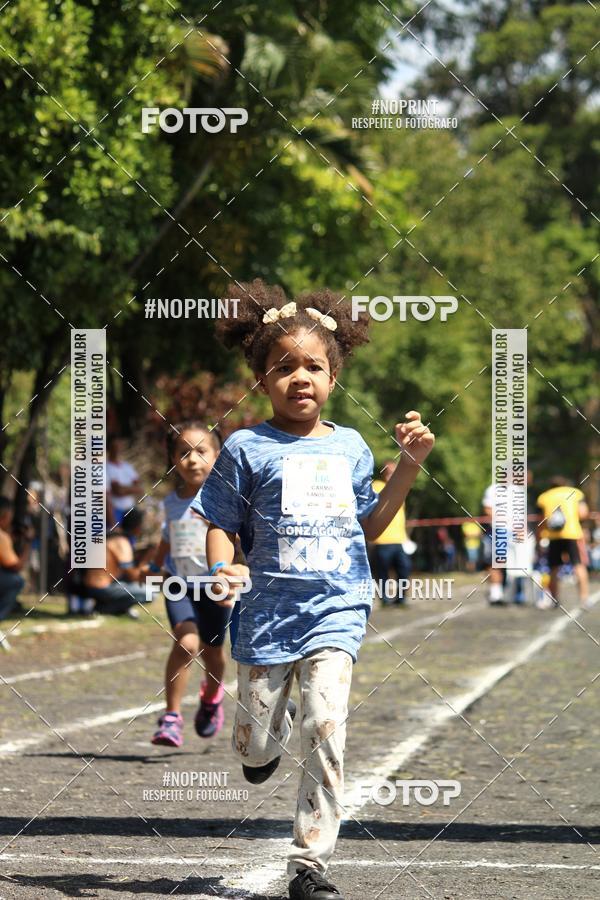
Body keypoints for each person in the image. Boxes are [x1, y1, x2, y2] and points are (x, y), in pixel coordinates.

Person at [190, 280, 435, 900]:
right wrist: (223, 567)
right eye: (284, 367)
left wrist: (408, 466)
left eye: (313, 367)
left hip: (337, 608)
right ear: (261, 378)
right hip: (265, 616)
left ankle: (309, 865)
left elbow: (369, 526)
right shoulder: (245, 447)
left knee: (326, 726)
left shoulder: (351, 446)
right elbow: (220, 522)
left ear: (334, 376)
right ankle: (264, 743)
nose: (299, 377)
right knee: (253, 747)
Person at [142, 421, 231, 747]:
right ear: (173, 459)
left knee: (213, 653)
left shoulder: (226, 500)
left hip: (215, 589)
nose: (192, 459)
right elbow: (168, 538)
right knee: (187, 643)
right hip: (179, 585)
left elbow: (238, 540)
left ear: (217, 456)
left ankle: (211, 698)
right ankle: (171, 717)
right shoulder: (171, 502)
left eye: (200, 451)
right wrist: (153, 567)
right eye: (183, 452)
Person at [83, 508, 149, 616]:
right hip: (101, 587)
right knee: (150, 592)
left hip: (89, 585)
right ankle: (103, 609)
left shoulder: (112, 535)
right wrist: (147, 560)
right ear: (137, 525)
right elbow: (133, 576)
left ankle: (113, 608)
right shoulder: (121, 541)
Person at [536, 476, 589, 608]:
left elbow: (541, 520)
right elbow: (583, 513)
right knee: (579, 565)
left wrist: (539, 538)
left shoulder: (544, 497)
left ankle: (555, 599)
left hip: (553, 536)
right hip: (573, 533)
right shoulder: (575, 493)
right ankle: (584, 599)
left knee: (554, 568)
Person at [371, 460, 411, 605]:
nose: (391, 474)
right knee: (382, 572)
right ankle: (385, 599)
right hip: (382, 539)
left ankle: (401, 598)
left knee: (404, 569)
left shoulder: (399, 489)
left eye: (394, 472)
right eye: (389, 472)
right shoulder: (377, 486)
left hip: (399, 539)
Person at [0, 497, 31, 621]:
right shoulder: (2, 537)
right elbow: (16, 566)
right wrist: (28, 543)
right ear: (4, 516)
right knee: (16, 581)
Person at [106, 436, 141, 526]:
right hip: (115, 512)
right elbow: (118, 491)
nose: (118, 449)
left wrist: (123, 488)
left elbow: (140, 488)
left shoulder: (127, 466)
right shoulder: (106, 467)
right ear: (109, 448)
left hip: (131, 509)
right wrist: (131, 488)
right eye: (115, 447)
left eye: (119, 446)